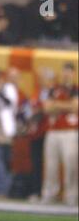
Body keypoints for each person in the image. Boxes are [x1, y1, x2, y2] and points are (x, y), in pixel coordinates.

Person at [41, 63, 78, 206]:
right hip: (53, 131)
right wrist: (66, 106)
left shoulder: (75, 89)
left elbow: (76, 107)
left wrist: (57, 105)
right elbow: (46, 108)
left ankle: (72, 196)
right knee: (51, 165)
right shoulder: (54, 89)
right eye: (64, 72)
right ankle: (50, 195)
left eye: (69, 72)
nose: (66, 75)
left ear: (74, 74)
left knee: (71, 165)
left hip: (70, 132)